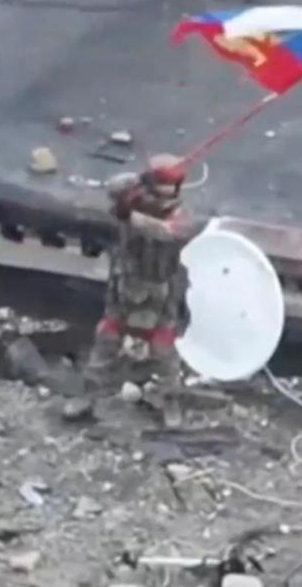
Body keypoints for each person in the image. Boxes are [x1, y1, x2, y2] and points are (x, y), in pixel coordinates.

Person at [62, 154, 200, 428]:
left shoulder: (181, 216)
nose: (163, 194)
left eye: (168, 188)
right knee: (106, 342)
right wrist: (135, 182)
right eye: (158, 185)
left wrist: (133, 216)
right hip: (126, 287)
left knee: (164, 352)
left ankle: (170, 401)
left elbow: (167, 232)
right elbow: (113, 189)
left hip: (161, 294)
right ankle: (87, 396)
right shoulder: (132, 199)